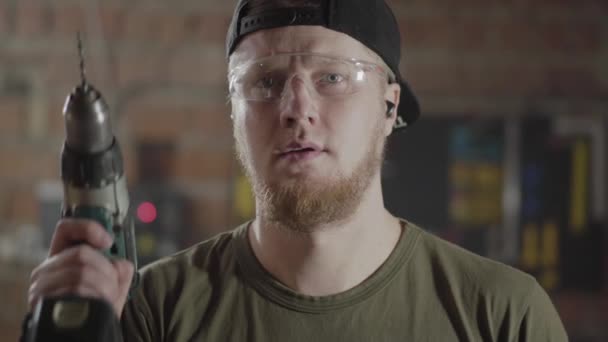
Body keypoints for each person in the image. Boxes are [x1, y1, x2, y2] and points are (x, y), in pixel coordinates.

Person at [28, 0, 568, 340]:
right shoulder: (151, 310)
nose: (295, 106)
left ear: (389, 107)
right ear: (234, 112)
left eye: (332, 78)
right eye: (262, 82)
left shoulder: (502, 316)